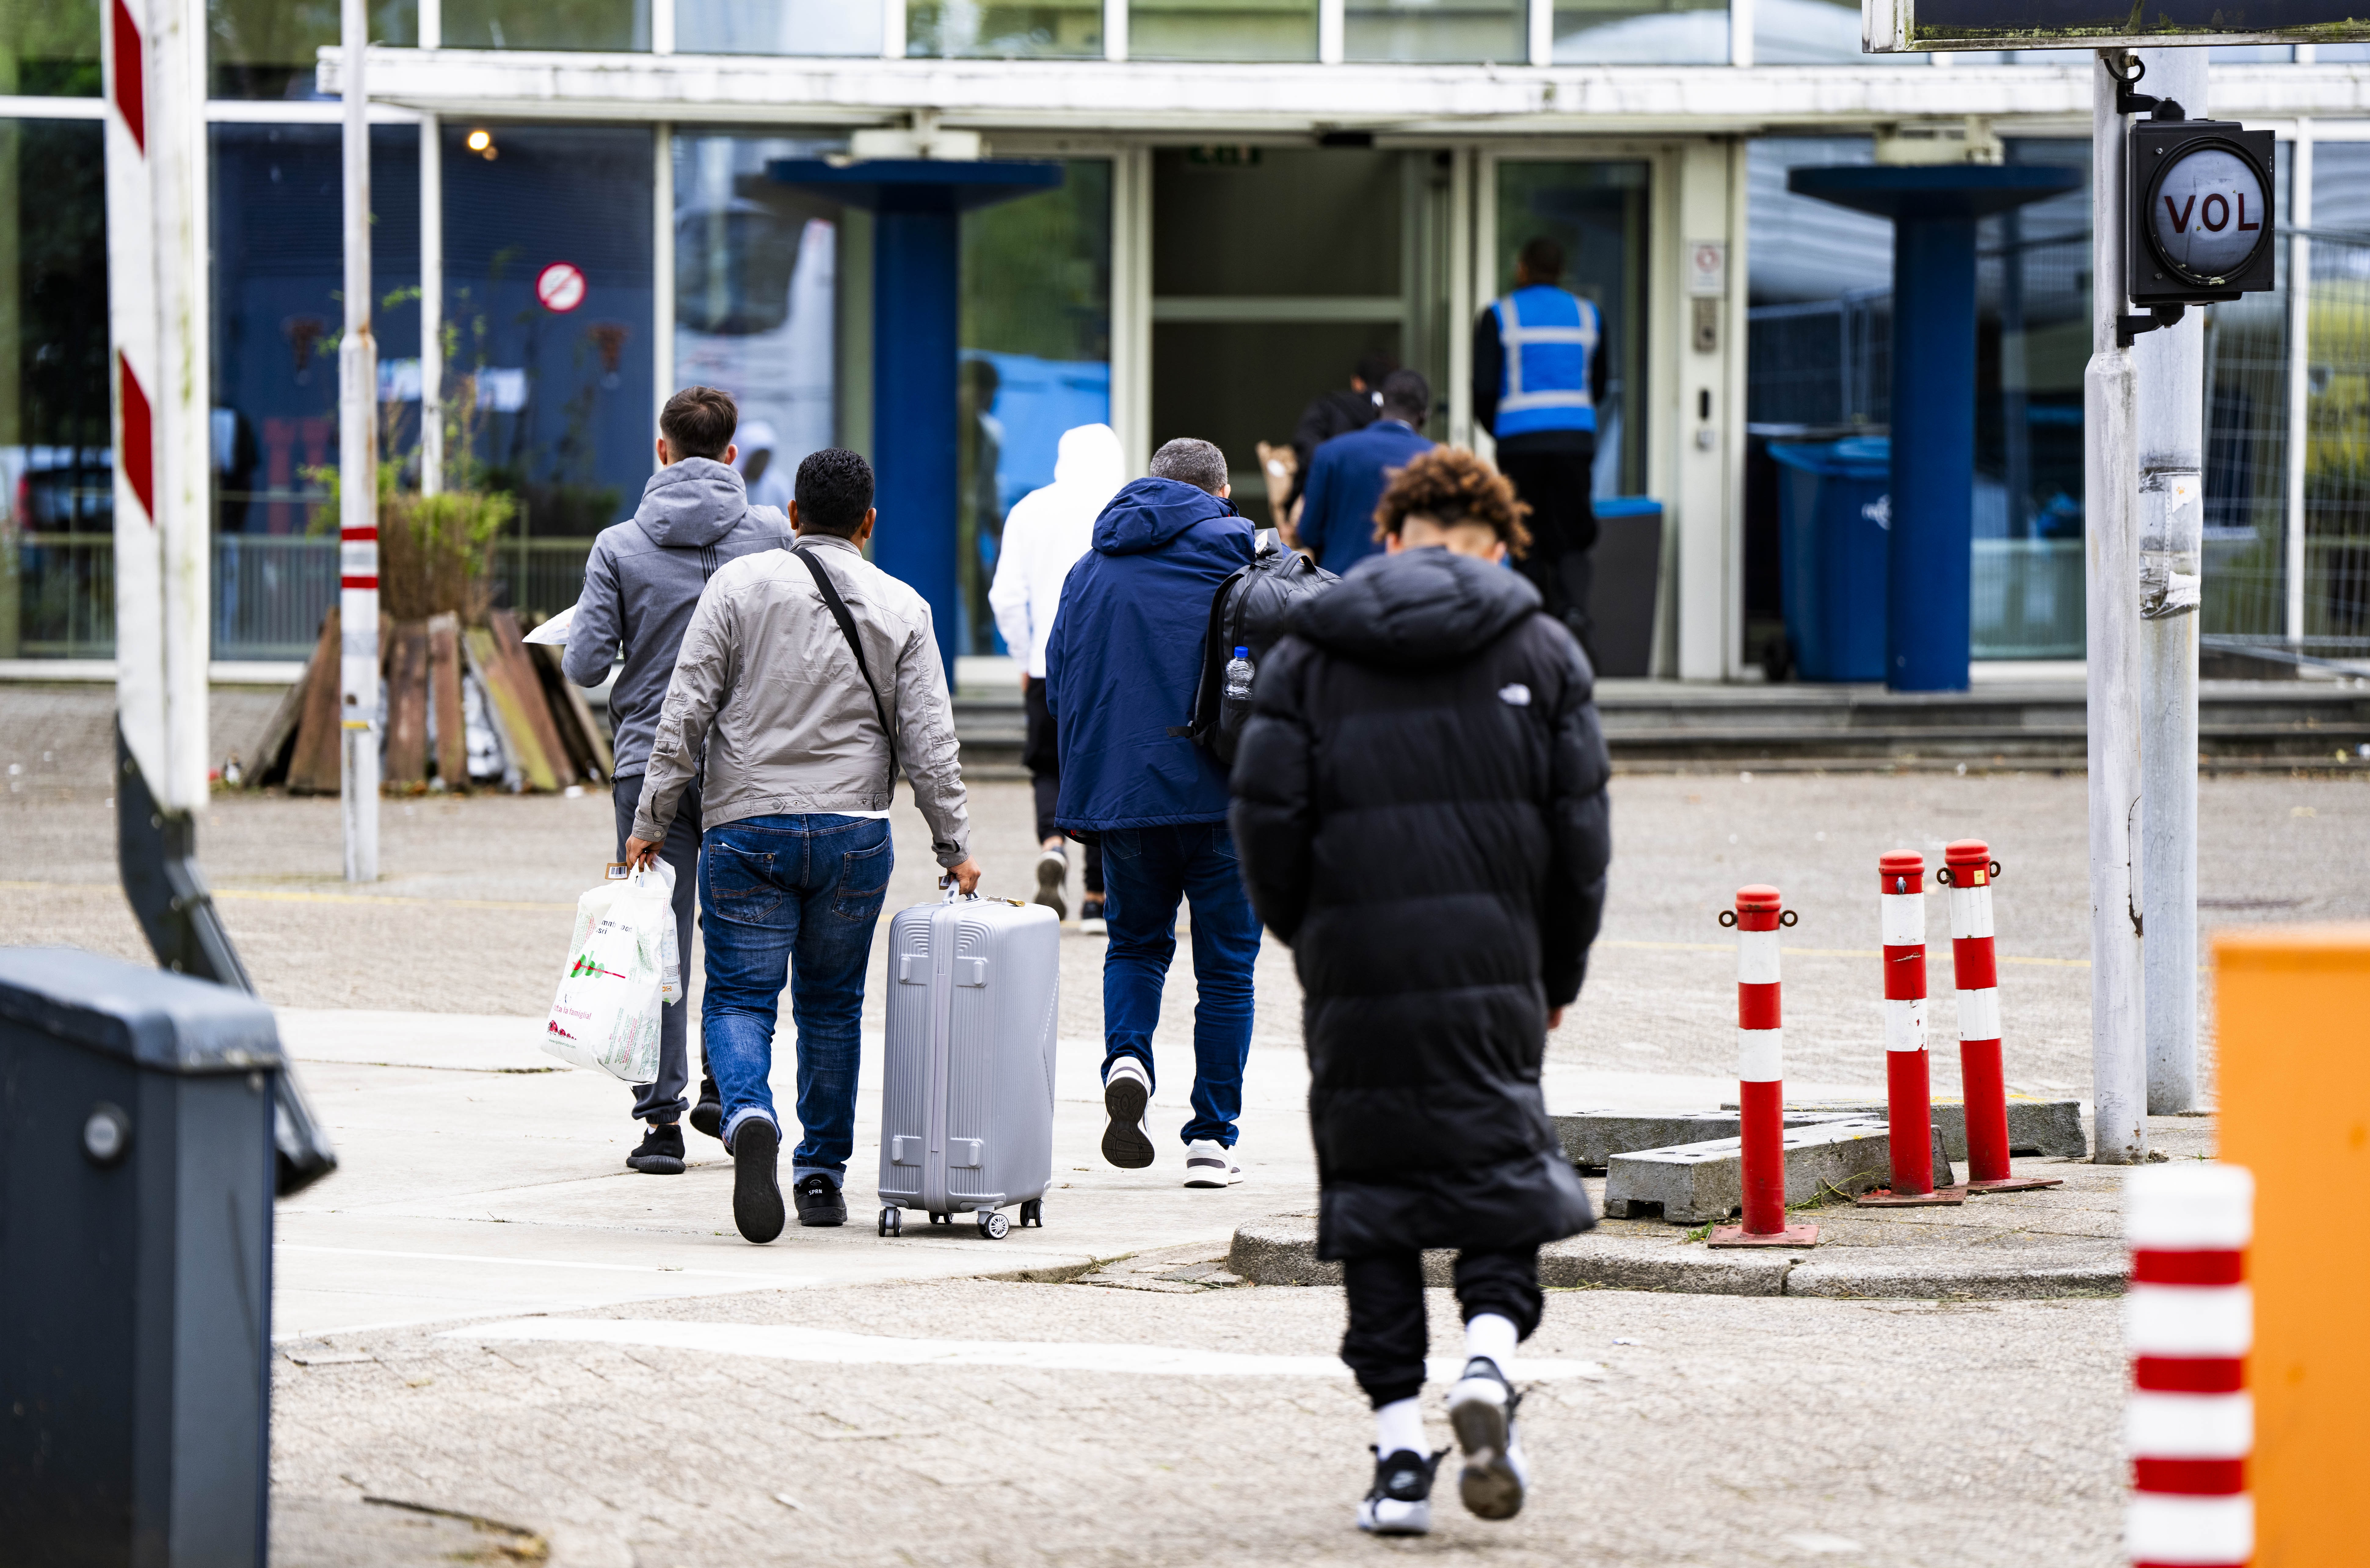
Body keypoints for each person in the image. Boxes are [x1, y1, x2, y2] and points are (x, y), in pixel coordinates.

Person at [1228, 448, 1610, 1536]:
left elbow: (1262, 813)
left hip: (1357, 966)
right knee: (1497, 1162)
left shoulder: (1311, 652)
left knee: (1375, 1197)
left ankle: (1399, 1450)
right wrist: (1557, 969)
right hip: (1496, 962)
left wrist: (1312, 931)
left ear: (1390, 535)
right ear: (1500, 540)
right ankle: (1487, 1354)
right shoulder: (1542, 649)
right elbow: (1581, 838)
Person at [624, 448, 982, 1243]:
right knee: (832, 1005)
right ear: (869, 522)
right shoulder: (903, 605)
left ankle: (749, 1107)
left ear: (790, 515)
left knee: (742, 996)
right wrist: (953, 840)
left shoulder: (738, 587)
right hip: (855, 833)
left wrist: (650, 820)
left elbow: (683, 712)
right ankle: (820, 1175)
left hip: (745, 825)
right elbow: (931, 742)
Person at [564, 384, 793, 1176]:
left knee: (656, 939)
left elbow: (586, 664)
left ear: (661, 450)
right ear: (733, 454)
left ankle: (659, 1121)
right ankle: (726, 1090)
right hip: (747, 762)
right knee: (741, 933)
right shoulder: (770, 533)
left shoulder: (618, 546)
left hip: (643, 763)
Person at [1044, 437, 1263, 1189]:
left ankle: (1127, 1057)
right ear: (1220, 490)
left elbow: (1058, 687)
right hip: (1228, 795)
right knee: (1227, 971)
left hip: (1128, 798)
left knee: (1134, 946)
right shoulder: (1247, 561)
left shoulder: (1089, 569)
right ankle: (1210, 1137)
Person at [987, 422, 1126, 932]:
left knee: (1048, 765)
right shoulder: (1125, 508)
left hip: (1049, 665)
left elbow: (1005, 596)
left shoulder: (1029, 510)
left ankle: (1053, 846)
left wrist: (1025, 657)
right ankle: (1097, 895)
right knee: (1108, 769)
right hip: (1111, 665)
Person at [1473, 236, 1608, 660]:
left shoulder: (1500, 314)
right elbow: (1600, 385)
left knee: (1523, 534)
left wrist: (1500, 431)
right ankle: (1572, 613)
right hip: (1574, 440)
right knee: (1571, 533)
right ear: (1561, 270)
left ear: (1522, 268)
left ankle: (1529, 622)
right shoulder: (1589, 315)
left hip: (1519, 441)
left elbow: (1483, 388)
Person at [1292, 369, 1435, 578]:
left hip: (1340, 589)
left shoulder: (1329, 453)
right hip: (1413, 589)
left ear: (1378, 407)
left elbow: (1308, 533)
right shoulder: (1439, 460)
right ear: (1424, 416)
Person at [1283, 352, 1395, 522]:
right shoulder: (1397, 419)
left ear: (1357, 382)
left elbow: (1308, 453)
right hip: (1383, 514)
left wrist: (1290, 505)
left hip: (1331, 511)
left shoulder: (1327, 407)